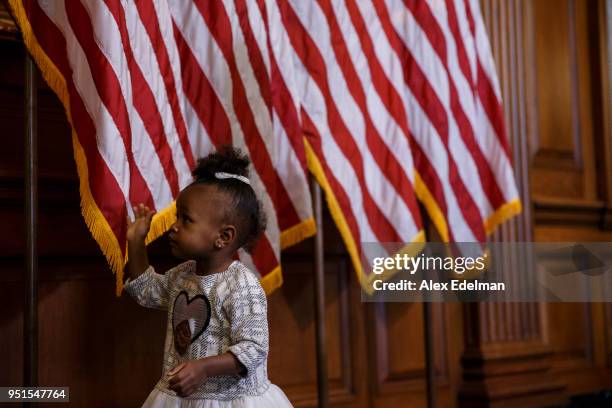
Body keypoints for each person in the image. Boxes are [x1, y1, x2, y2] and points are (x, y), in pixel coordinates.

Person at [123, 147, 293, 407]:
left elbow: (254, 348)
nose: (174, 226)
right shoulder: (182, 276)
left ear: (223, 237)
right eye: (177, 216)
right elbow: (148, 292)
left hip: (229, 401)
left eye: (186, 219)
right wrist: (136, 242)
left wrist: (204, 367)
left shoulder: (242, 285)